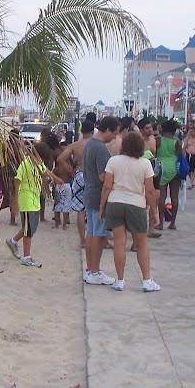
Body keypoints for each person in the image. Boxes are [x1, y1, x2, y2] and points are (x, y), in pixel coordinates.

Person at [99, 130, 161, 292]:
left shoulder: (113, 161)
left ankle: (120, 280)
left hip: (115, 202)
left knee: (119, 243)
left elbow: (107, 186)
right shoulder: (145, 164)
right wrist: (154, 211)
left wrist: (102, 207)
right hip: (136, 204)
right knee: (141, 244)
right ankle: (147, 280)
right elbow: (149, 190)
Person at [5, 141, 63, 267]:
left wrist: (56, 179)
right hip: (26, 199)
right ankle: (26, 257)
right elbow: (17, 180)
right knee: (29, 229)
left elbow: (46, 171)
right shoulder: (25, 164)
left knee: (31, 226)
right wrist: (15, 201)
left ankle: (13, 241)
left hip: (35, 199)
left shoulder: (38, 163)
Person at [82, 116, 120, 285]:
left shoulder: (89, 143)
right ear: (109, 130)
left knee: (91, 233)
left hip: (89, 193)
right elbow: (103, 176)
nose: (115, 137)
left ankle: (90, 269)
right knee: (99, 235)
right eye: (115, 133)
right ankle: (95, 272)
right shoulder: (101, 149)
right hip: (98, 196)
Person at [57, 118, 95, 248]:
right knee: (94, 208)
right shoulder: (96, 144)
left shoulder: (75, 145)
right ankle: (94, 239)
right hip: (93, 175)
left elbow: (61, 158)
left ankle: (83, 241)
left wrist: (71, 171)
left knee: (81, 209)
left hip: (79, 174)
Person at [155, 119, 183, 232]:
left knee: (161, 197)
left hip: (161, 168)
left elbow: (155, 153)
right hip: (174, 169)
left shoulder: (158, 140)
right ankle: (173, 223)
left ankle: (160, 223)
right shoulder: (177, 142)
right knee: (174, 197)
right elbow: (180, 156)